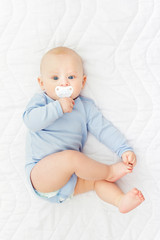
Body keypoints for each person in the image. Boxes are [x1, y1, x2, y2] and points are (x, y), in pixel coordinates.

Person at [23, 47, 145, 213]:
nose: (64, 83)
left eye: (71, 77)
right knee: (72, 159)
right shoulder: (41, 101)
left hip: (70, 182)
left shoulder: (85, 107)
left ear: (83, 81)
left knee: (96, 181)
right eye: (55, 77)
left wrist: (123, 148)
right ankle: (108, 171)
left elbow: (104, 130)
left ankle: (120, 201)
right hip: (41, 176)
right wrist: (57, 107)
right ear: (42, 83)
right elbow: (31, 122)